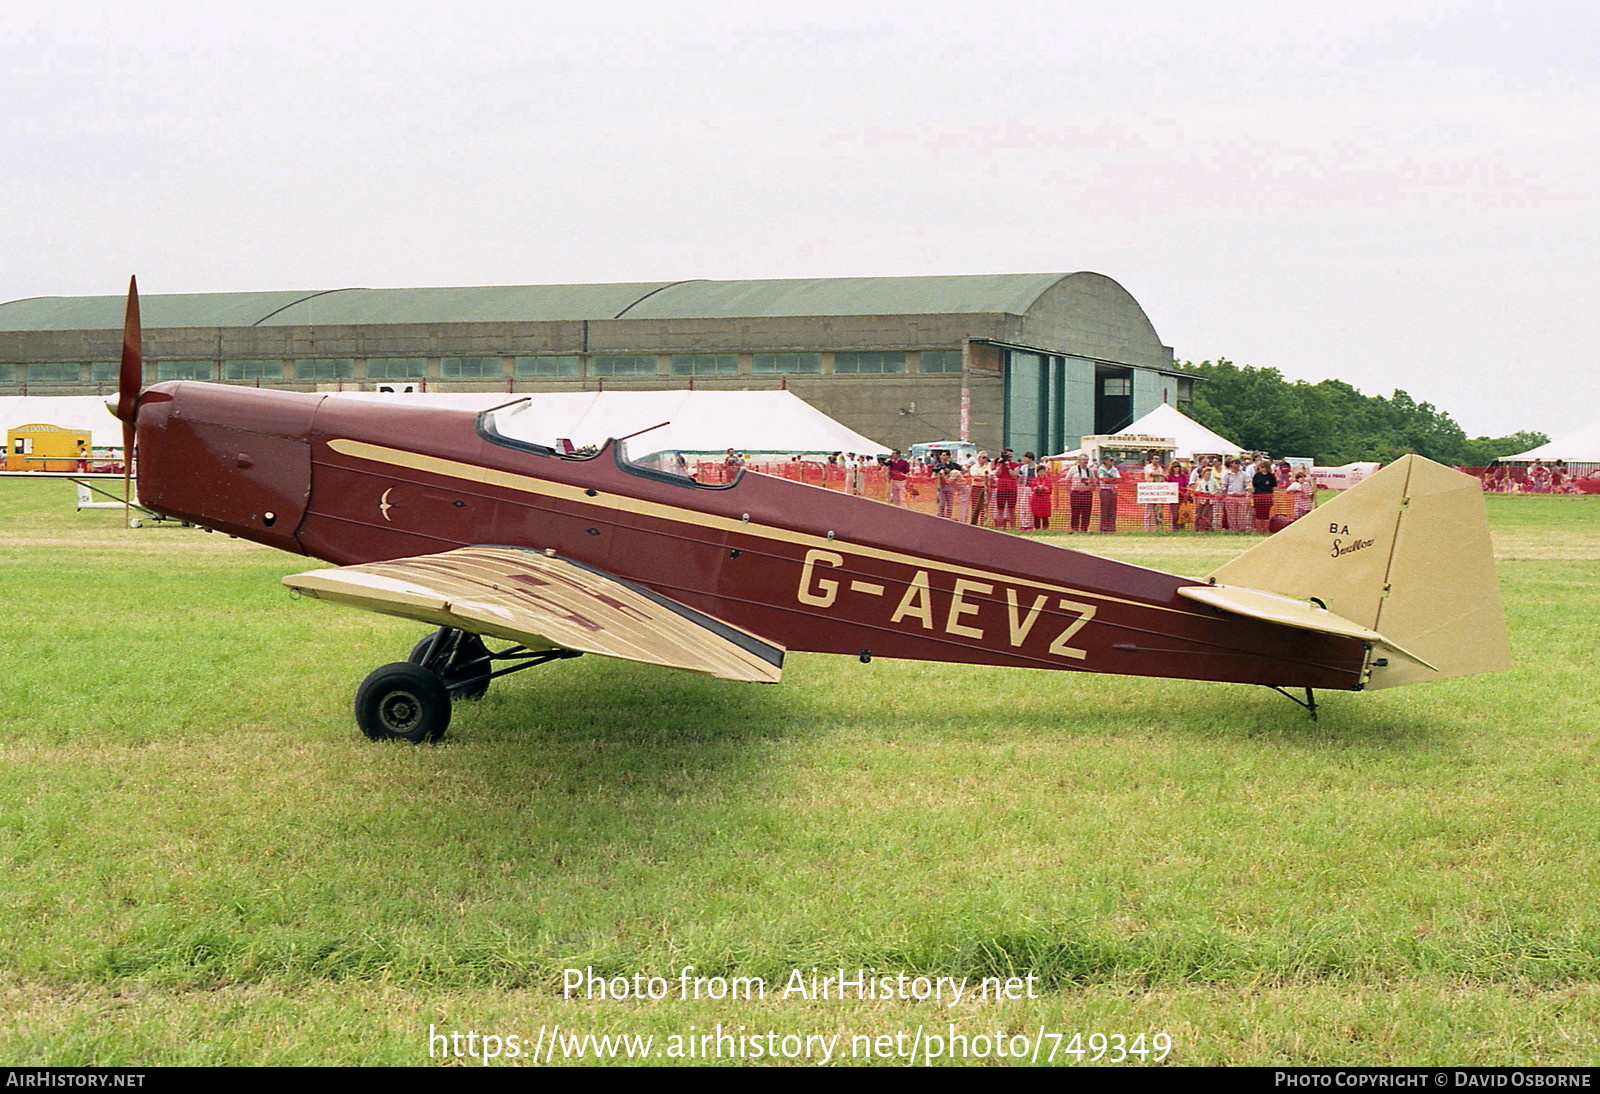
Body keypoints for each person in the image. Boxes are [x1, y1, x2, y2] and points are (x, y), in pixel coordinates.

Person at [1063, 453, 1095, 532]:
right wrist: (1070, 490)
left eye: (1087, 460)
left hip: (1086, 493)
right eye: (1084, 460)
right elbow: (1067, 480)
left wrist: (1091, 488)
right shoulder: (1073, 469)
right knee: (1075, 511)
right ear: (1079, 461)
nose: (1086, 462)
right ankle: (1074, 528)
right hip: (1076, 493)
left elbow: (1093, 481)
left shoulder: (1089, 470)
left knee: (1086, 512)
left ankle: (1084, 528)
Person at [992, 449, 1019, 530]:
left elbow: (1014, 475)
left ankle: (1012, 527)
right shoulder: (999, 464)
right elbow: (997, 474)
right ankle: (1000, 527)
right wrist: (1000, 464)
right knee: (1000, 509)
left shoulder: (1015, 465)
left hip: (1012, 489)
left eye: (1010, 455)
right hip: (1001, 488)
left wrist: (1008, 466)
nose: (1008, 457)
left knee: (1011, 509)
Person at [1251, 457, 1277, 533]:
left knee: (1266, 514)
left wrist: (1273, 497)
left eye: (1262, 467)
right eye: (1260, 467)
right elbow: (1253, 486)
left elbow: (1274, 487)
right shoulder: (1257, 476)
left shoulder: (1271, 476)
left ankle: (1265, 529)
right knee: (1258, 514)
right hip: (1258, 496)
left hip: (1267, 496)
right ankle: (1258, 530)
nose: (1261, 468)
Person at [1096, 455, 1121, 532]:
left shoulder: (1114, 469)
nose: (1112, 462)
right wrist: (1112, 480)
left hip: (1113, 491)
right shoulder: (1101, 469)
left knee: (1112, 510)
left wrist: (1109, 480)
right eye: (1110, 460)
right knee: (1104, 510)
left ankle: (1111, 528)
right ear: (1105, 461)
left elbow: (1118, 479)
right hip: (1104, 490)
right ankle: (1103, 528)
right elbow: (1103, 479)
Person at [968, 452, 992, 525]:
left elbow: (990, 476)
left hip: (985, 488)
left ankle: (982, 523)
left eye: (986, 458)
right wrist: (984, 478)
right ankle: (974, 522)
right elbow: (975, 477)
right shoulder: (974, 467)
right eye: (983, 457)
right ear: (979, 458)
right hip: (976, 488)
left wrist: (983, 478)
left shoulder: (988, 467)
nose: (985, 459)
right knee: (975, 506)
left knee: (984, 506)